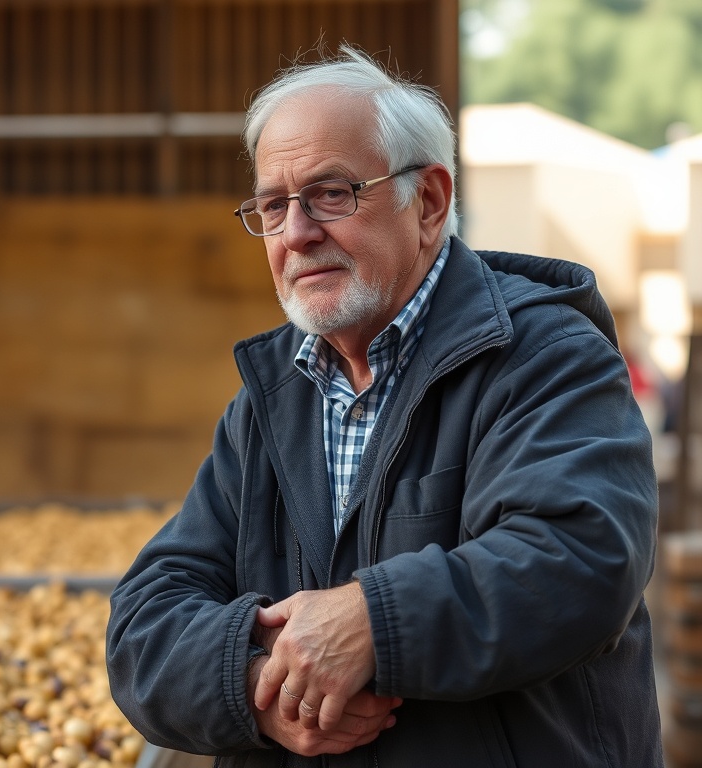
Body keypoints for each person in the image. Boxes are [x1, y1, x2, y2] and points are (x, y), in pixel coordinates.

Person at [105, 43, 663, 767]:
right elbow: (144, 623)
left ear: (428, 201)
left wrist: (373, 622)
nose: (298, 233)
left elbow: (583, 556)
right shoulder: (271, 397)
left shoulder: (543, 355)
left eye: (332, 193)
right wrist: (252, 689)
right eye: (274, 206)